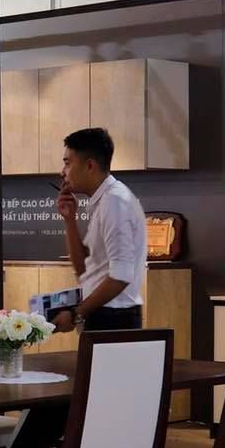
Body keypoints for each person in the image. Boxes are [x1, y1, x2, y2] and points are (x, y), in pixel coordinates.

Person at [50, 127, 147, 333]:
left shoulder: (115, 201)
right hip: (102, 314)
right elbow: (84, 271)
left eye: (67, 163)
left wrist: (76, 314)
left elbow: (121, 275)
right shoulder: (104, 201)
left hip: (114, 318)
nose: (62, 172)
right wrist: (69, 220)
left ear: (90, 166)